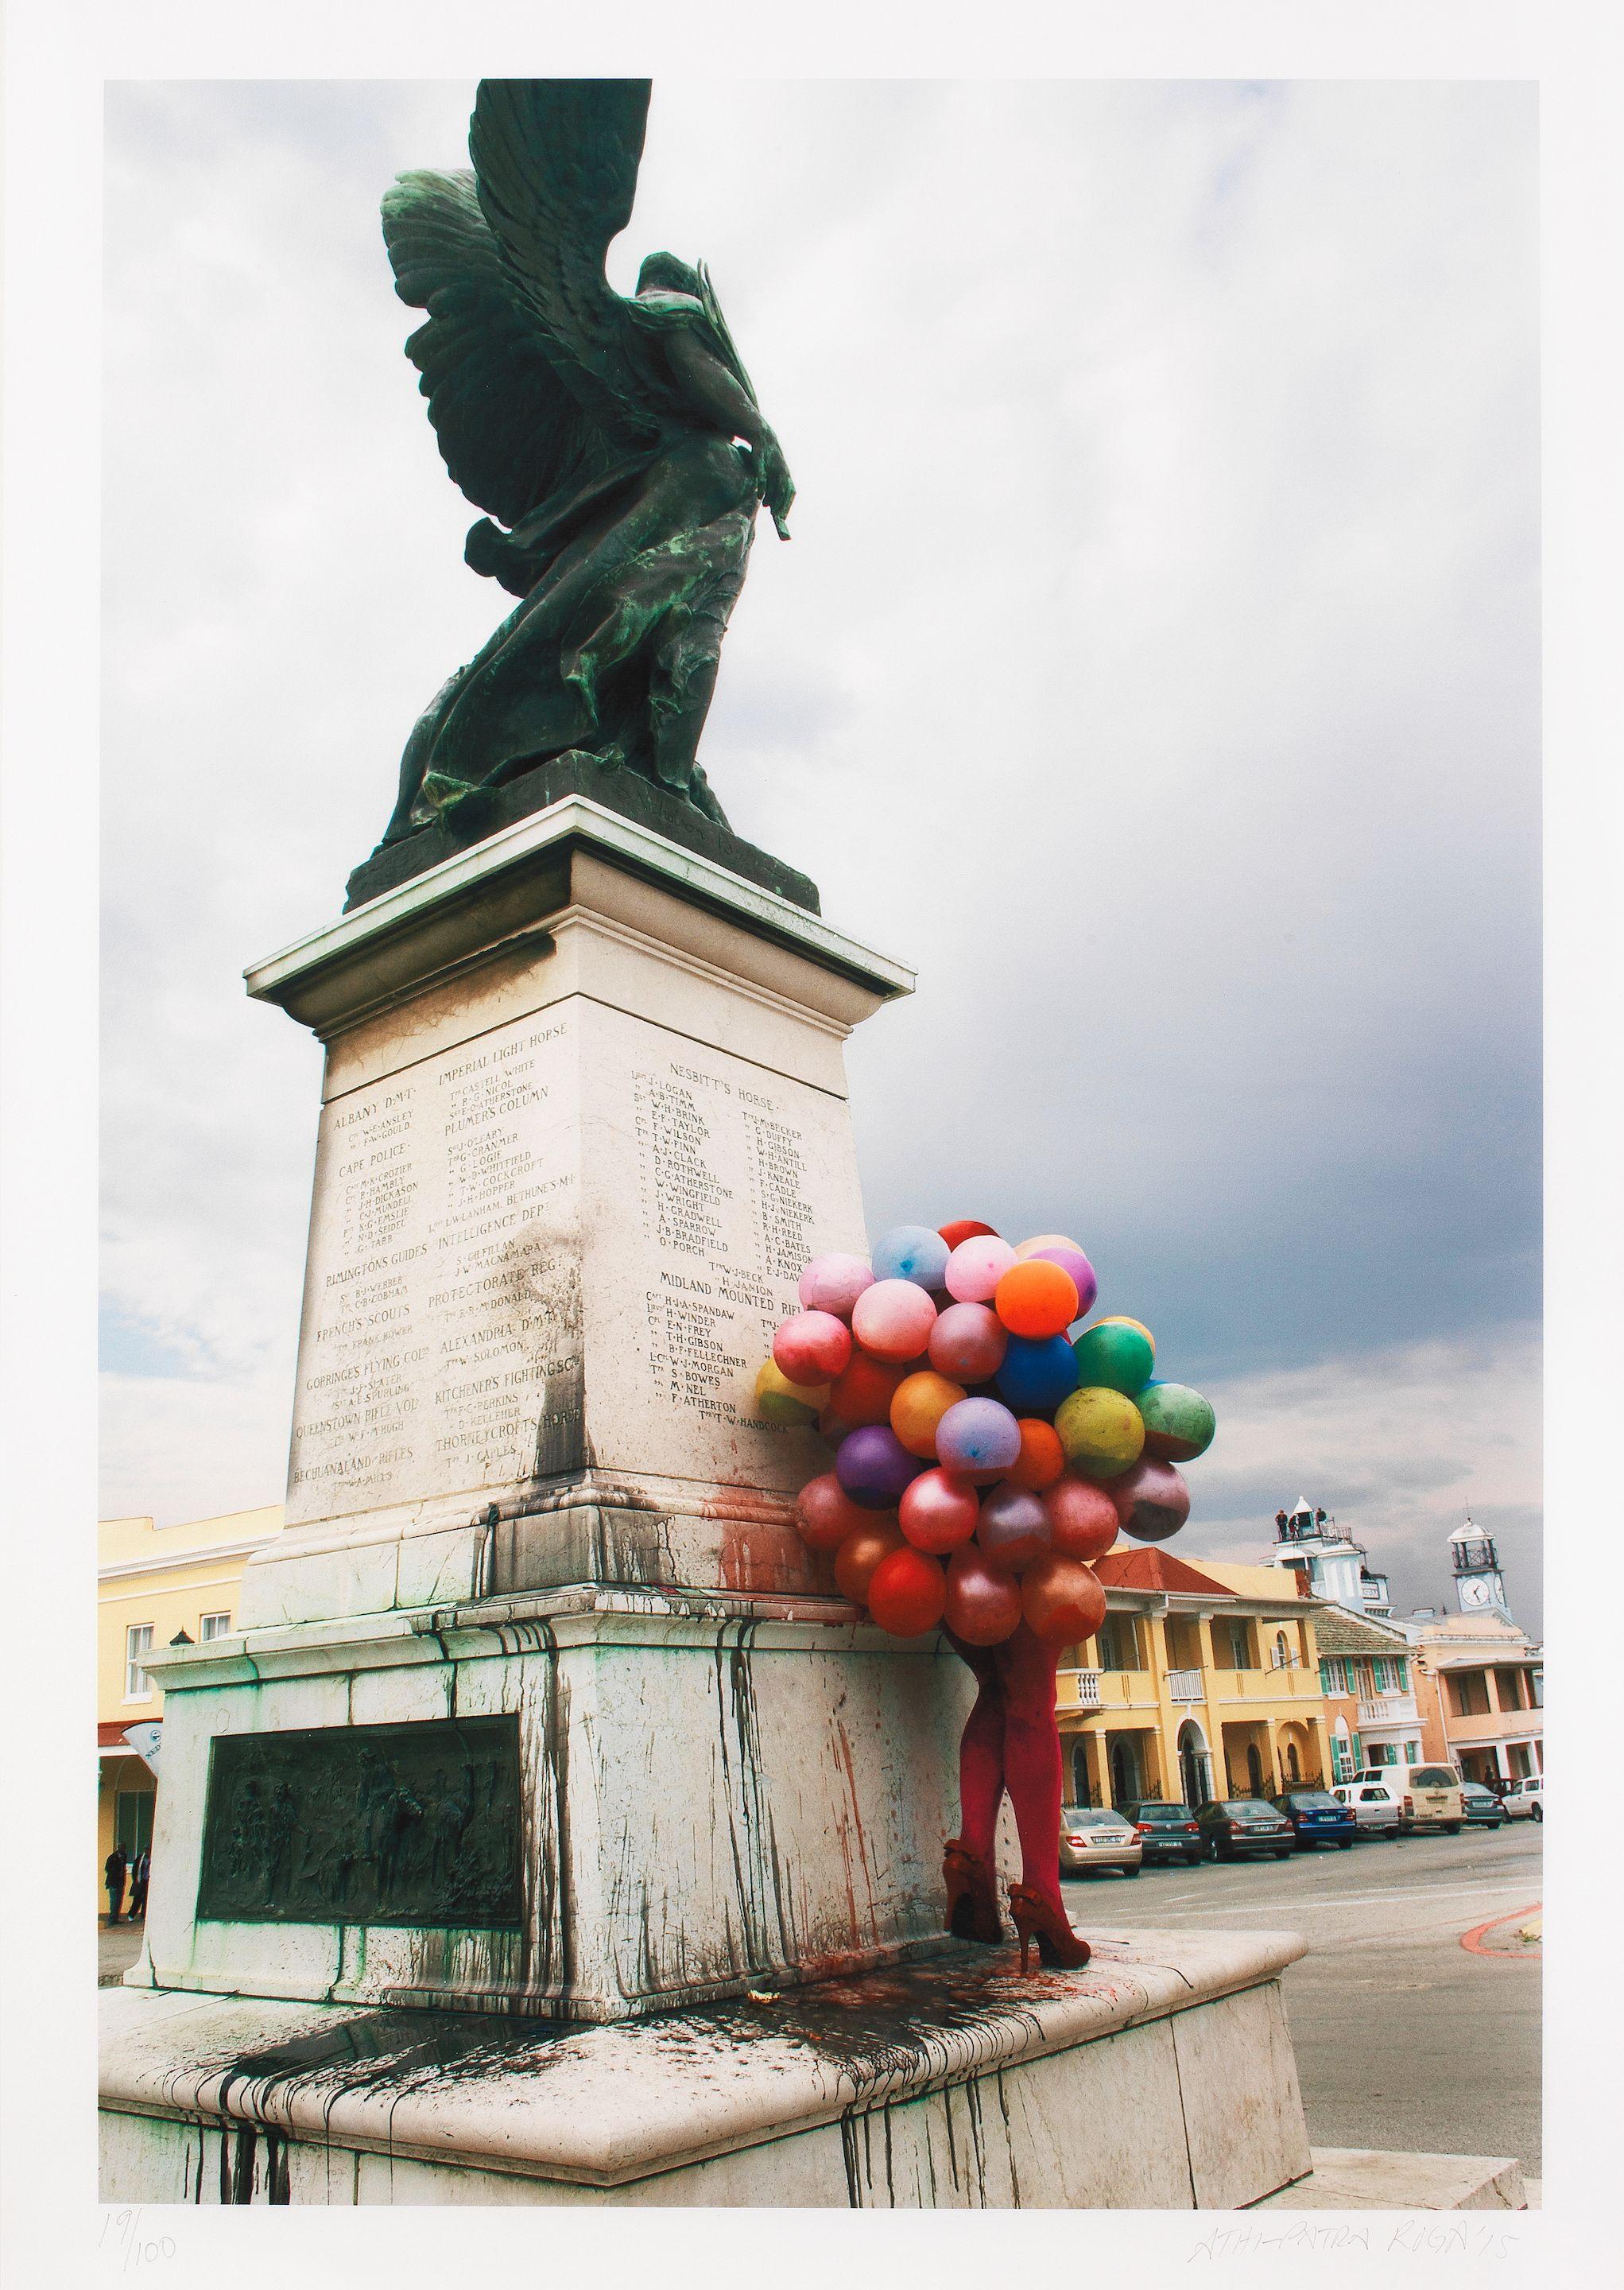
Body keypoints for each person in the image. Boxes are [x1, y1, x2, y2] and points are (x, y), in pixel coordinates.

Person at [941, 1624, 1091, 1973]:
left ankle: (970, 1859)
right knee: (1033, 1703)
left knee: (995, 1688)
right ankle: (1042, 1898)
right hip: (1015, 1572)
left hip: (950, 1577)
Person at [104, 1845, 128, 1925]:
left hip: (120, 1882)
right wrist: (116, 1872)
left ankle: (116, 1918)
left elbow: (123, 1866)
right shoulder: (112, 1857)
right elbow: (107, 1868)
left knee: (119, 1901)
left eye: (124, 1848)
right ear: (118, 1848)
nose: (123, 1850)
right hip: (113, 1882)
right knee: (114, 1901)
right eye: (121, 1848)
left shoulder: (124, 1856)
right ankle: (111, 1920)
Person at [129, 1847, 150, 1920]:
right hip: (140, 1881)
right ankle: (131, 1915)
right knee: (137, 1898)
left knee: (146, 1899)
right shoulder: (140, 1858)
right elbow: (135, 1869)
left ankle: (144, 1915)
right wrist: (136, 1880)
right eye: (146, 1850)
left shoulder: (152, 1858)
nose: (147, 1851)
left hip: (148, 1880)